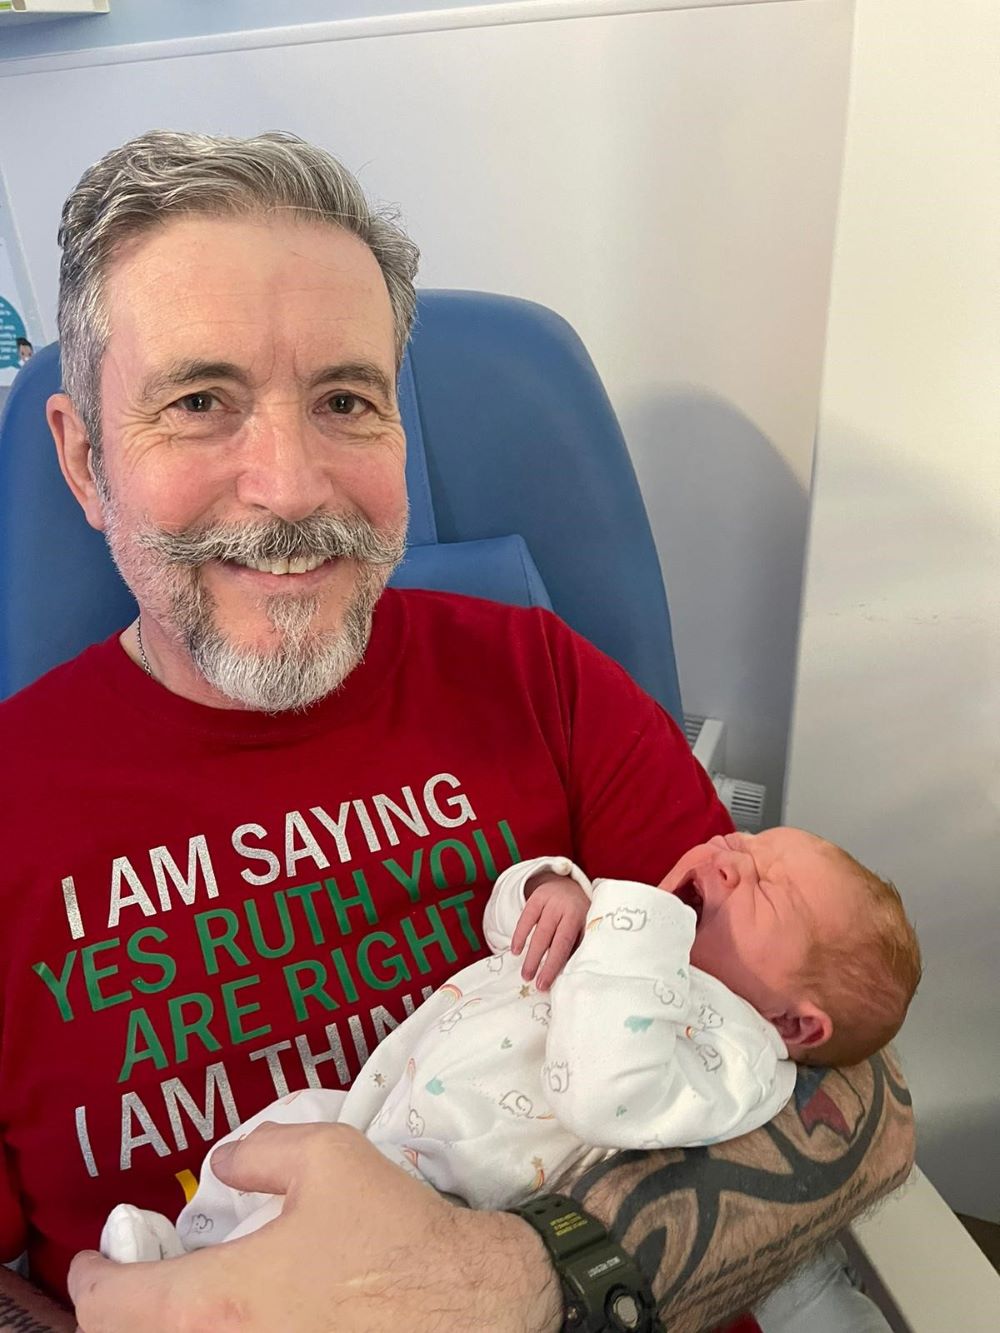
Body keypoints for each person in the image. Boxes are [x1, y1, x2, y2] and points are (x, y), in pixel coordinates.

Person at [0, 130, 915, 1333]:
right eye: (199, 401)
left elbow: (860, 1092)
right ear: (83, 459)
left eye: (344, 400)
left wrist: (525, 1281)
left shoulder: (540, 680)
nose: (290, 485)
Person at [100, 828, 920, 1260]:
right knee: (283, 1128)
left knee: (318, 1223)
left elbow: (606, 1092)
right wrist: (554, 889)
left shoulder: (736, 1049)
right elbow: (505, 933)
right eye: (747, 843)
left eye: (768, 889)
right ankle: (193, 1236)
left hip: (441, 1187)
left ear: (796, 1023)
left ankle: (197, 1287)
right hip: (380, 1104)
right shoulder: (625, 927)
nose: (728, 855)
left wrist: (633, 929)